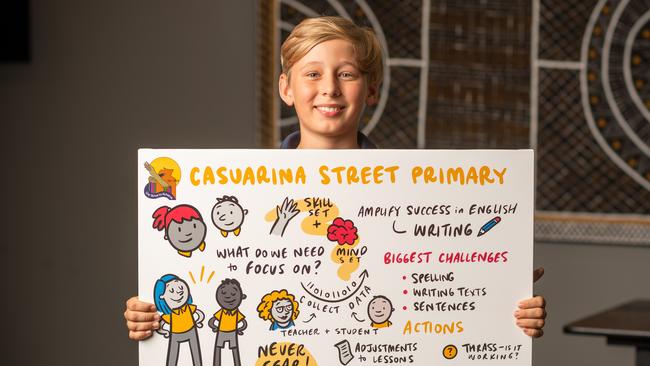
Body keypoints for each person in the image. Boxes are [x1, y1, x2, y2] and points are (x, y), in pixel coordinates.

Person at [124, 15, 547, 341]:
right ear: (286, 89)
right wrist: (153, 316)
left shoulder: (419, 196)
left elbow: (435, 301)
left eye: (346, 74)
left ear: (372, 89)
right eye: (312, 74)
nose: (330, 88)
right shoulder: (241, 195)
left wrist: (496, 296)